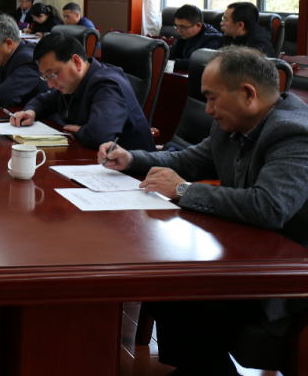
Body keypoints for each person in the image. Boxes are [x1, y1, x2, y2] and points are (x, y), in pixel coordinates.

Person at [100, 47, 308, 376]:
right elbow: (187, 161)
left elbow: (269, 206)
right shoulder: (234, 124)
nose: (208, 109)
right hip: (244, 252)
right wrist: (132, 159)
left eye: (212, 98)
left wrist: (184, 190)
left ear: (248, 94)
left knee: (177, 293)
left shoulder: (294, 133)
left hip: (285, 277)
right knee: (162, 283)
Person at [13, 32, 155, 152]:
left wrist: (79, 132)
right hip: (92, 160)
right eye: (45, 77)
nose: (50, 84)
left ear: (76, 62)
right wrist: (31, 112)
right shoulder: (72, 83)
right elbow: (43, 101)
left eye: (52, 74)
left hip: (133, 171)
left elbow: (99, 137)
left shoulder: (108, 85)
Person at [169, 4, 223, 71]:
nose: (179, 30)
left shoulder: (213, 39)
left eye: (182, 27)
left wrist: (168, 63)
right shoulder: (184, 34)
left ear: (198, 25)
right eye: (176, 26)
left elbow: (197, 63)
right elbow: (170, 52)